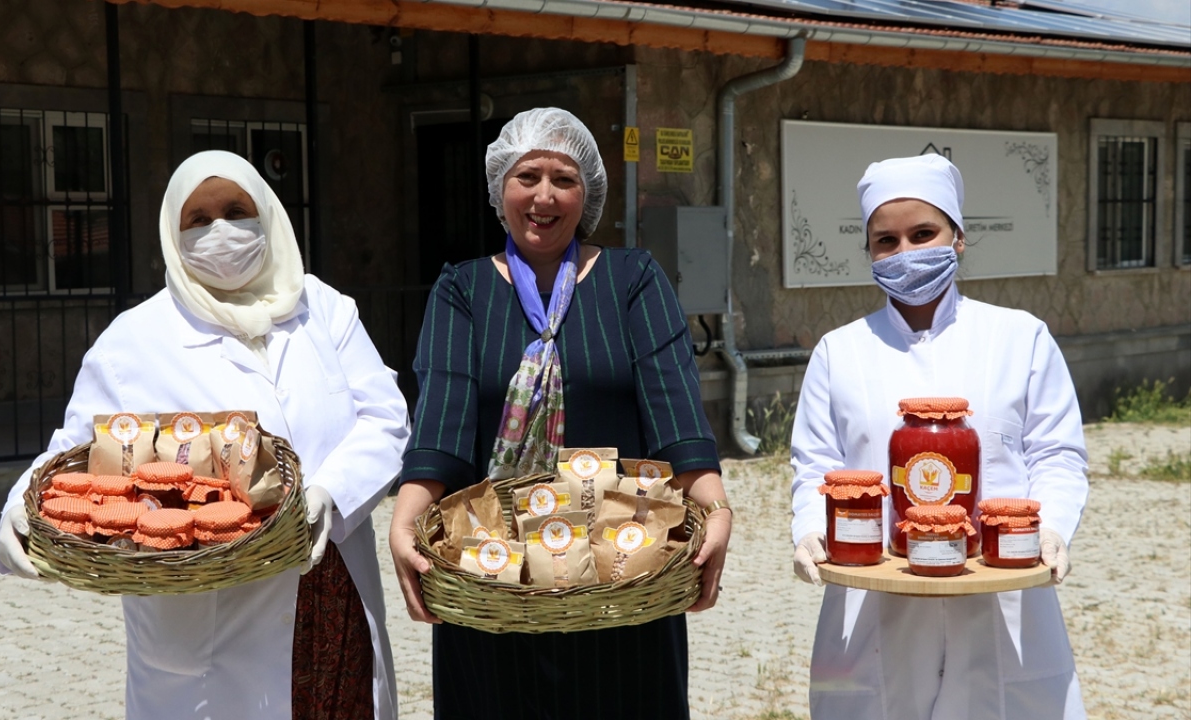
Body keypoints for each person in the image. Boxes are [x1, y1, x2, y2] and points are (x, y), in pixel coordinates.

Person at [0, 150, 410, 720]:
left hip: (331, 590)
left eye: (237, 210)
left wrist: (328, 494)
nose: (221, 230)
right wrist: (21, 505)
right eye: (199, 219)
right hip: (208, 638)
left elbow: (383, 416)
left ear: (266, 214)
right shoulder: (132, 343)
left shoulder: (325, 312)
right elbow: (74, 456)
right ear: (173, 232)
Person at [387, 107, 732, 719]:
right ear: (501, 188)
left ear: (587, 193)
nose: (544, 196)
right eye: (527, 176)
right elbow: (442, 415)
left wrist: (716, 506)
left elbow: (676, 415)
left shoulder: (632, 281)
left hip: (621, 573)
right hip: (496, 578)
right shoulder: (462, 290)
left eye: (564, 179)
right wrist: (404, 522)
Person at [789, 153, 1089, 720]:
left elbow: (1056, 453)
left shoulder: (1019, 337)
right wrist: (809, 528)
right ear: (870, 251)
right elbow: (816, 466)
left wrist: (1050, 528)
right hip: (878, 594)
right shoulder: (841, 350)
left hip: (1000, 593)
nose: (905, 253)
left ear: (958, 238)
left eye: (923, 233)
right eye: (886, 240)